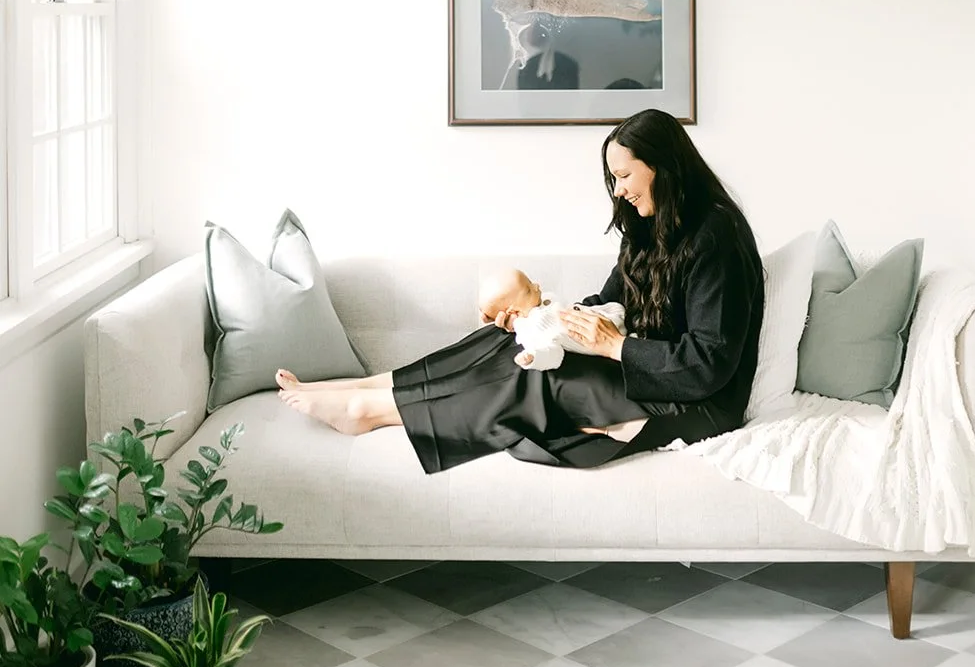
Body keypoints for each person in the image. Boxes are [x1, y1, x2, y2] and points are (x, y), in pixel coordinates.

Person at [275, 108, 765, 470]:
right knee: (514, 339)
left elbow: (710, 363)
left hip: (695, 401)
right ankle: (367, 386)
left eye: (624, 176)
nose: (618, 191)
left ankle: (370, 413)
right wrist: (554, 320)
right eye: (613, 179)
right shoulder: (649, 226)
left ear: (664, 166)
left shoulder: (716, 236)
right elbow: (613, 299)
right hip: (644, 368)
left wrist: (613, 346)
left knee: (534, 377)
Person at [477, 266, 628, 370]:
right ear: (513, 310)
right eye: (529, 290)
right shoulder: (532, 330)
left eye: (531, 282)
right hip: (605, 340)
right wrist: (533, 357)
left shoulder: (543, 303)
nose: (537, 286)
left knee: (617, 308)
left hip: (608, 321)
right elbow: (554, 354)